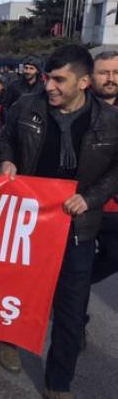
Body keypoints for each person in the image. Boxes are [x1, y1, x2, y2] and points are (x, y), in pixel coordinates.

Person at [0, 45, 118, 399]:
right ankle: (9, 338)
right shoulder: (25, 107)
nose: (49, 86)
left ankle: (58, 383)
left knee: (72, 308)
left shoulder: (110, 121)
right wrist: (6, 160)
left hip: (78, 227)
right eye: (48, 78)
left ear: (83, 83)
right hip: (30, 222)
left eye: (59, 80)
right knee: (19, 291)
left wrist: (91, 198)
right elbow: (4, 138)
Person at [82, 50, 118, 347]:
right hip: (80, 204)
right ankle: (75, 321)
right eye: (104, 72)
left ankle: (68, 289)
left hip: (113, 208)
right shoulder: (80, 109)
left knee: (113, 257)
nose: (110, 78)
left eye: (116, 73)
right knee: (78, 265)